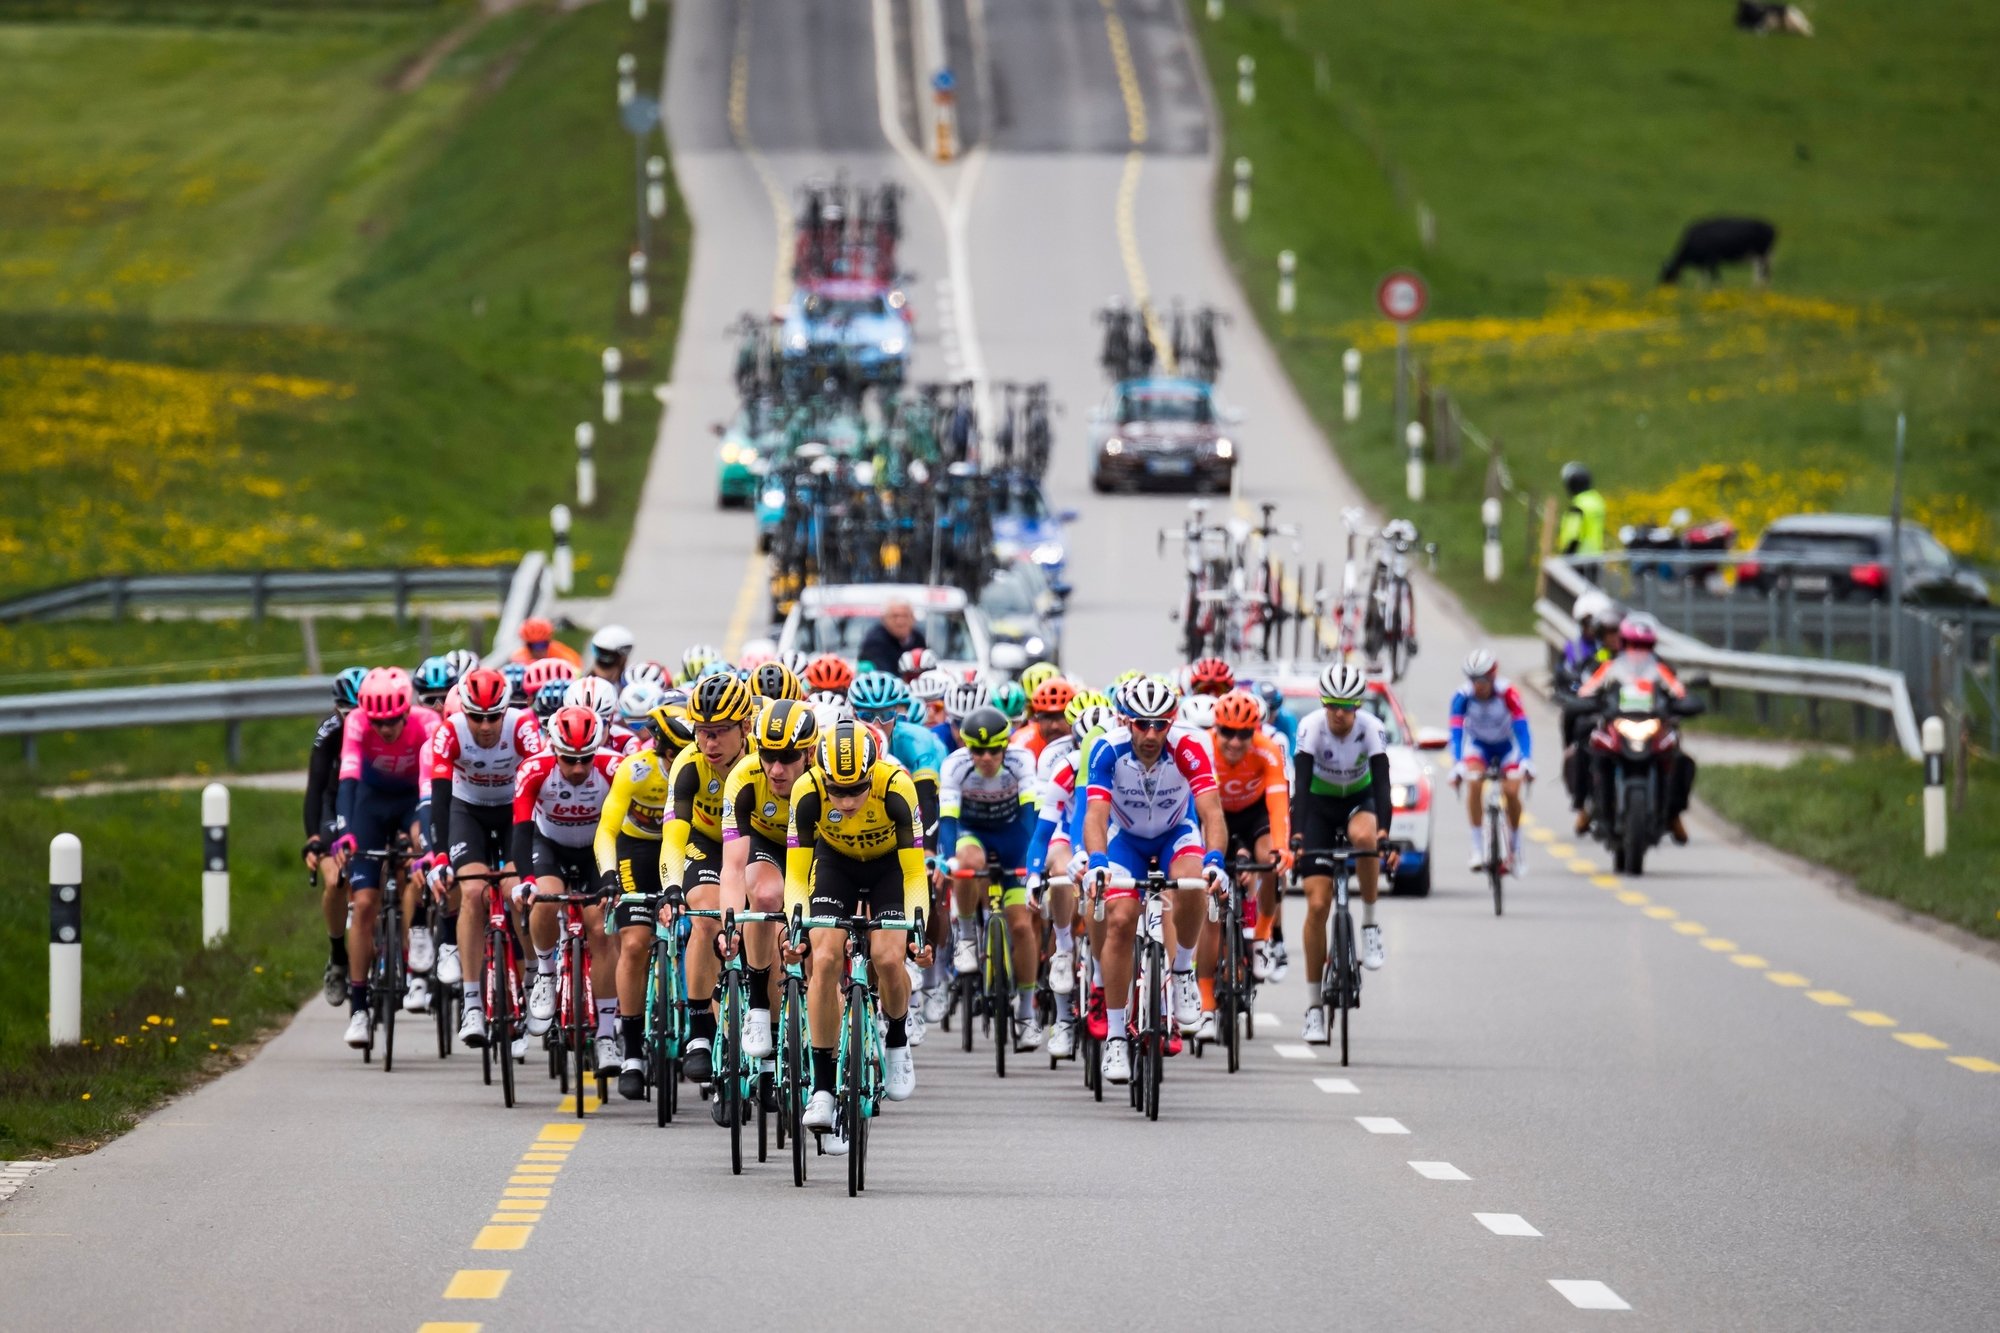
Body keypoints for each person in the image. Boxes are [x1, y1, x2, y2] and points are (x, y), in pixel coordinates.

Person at [784, 722, 931, 1154]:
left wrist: (916, 929)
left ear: (873, 774)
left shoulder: (898, 787)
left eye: (857, 791)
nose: (847, 802)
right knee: (825, 957)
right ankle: (824, 1088)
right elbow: (796, 872)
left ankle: (899, 1037)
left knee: (888, 957)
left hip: (889, 868)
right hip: (836, 866)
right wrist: (798, 926)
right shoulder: (807, 791)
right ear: (822, 778)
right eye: (838, 791)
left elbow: (914, 873)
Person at [1081, 677, 1229, 1086]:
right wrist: (1096, 860)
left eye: (1160, 725)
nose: (1151, 734)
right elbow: (1095, 816)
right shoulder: (1107, 749)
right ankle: (1114, 1035)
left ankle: (1182, 972)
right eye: (1142, 724)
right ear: (1126, 721)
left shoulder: (1190, 747)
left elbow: (1212, 813)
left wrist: (1216, 861)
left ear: (1171, 723)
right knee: (1122, 919)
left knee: (1194, 881)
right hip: (1124, 840)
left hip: (1175, 834)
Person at [429, 667, 544, 1049]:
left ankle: (532, 975)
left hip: (516, 813)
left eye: (493, 716)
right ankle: (473, 1003)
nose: (485, 725)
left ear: (505, 710)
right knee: (474, 892)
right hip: (469, 812)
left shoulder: (523, 727)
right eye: (477, 716)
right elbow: (440, 799)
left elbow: (539, 782)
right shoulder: (450, 732)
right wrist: (440, 855)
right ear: (465, 711)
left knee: (515, 890)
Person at [329, 668, 442, 1049]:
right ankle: (359, 1008)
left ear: (406, 712)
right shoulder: (358, 723)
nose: (387, 728)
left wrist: (430, 844)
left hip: (414, 800)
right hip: (371, 806)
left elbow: (433, 786)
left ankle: (420, 930)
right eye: (380, 722)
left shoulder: (428, 721)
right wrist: (344, 831)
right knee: (363, 904)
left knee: (422, 849)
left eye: (394, 720)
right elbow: (347, 781)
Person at [656, 673, 758, 1088]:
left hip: (755, 842)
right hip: (706, 843)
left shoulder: (766, 759)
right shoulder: (690, 763)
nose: (709, 744)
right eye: (702, 733)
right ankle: (700, 1030)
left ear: (746, 728)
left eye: (719, 734)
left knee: (764, 918)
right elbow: (674, 835)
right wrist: (671, 887)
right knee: (704, 915)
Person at [594, 690, 692, 1098]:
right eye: (677, 756)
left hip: (685, 846)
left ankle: (701, 1025)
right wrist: (610, 875)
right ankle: (632, 1051)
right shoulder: (635, 770)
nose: (684, 763)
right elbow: (607, 831)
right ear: (661, 749)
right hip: (638, 851)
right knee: (633, 943)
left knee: (697, 932)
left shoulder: (700, 771)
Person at [1292, 664, 1396, 1045]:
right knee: (1317, 906)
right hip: (1318, 806)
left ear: (1357, 706)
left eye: (1347, 706)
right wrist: (1298, 835)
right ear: (1324, 704)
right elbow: (1301, 787)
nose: (1340, 713)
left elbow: (1383, 784)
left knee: (1365, 837)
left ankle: (1369, 924)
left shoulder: (1371, 728)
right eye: (1333, 705)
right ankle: (1314, 1008)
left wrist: (1384, 832)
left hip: (1358, 800)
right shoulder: (1311, 729)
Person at [939, 706, 1045, 1051]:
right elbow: (949, 821)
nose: (986, 757)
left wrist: (1032, 864)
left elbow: (1030, 816)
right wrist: (951, 859)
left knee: (1020, 926)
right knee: (968, 860)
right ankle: (968, 934)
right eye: (978, 750)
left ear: (1005, 745)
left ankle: (1027, 1012)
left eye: (994, 750)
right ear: (967, 747)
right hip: (974, 834)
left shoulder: (1021, 761)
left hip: (1013, 837)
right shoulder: (955, 765)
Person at [1578, 614, 1696, 843]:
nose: (1638, 651)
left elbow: (1680, 693)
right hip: (1617, 726)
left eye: (1644, 646)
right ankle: (1591, 804)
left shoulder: (1661, 669)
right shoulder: (1610, 667)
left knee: (1681, 760)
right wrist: (1584, 702)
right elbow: (1587, 691)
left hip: (1653, 727)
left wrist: (1685, 703)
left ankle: (1673, 814)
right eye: (1633, 644)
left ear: (1652, 646)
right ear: (1623, 643)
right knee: (1589, 749)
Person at [305, 667, 367, 1008]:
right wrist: (314, 838)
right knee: (335, 882)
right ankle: (337, 956)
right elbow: (315, 789)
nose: (355, 718)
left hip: (369, 802)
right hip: (333, 802)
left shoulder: (388, 727)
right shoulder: (329, 732)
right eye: (347, 711)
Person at [1448, 650, 1533, 873]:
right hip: (1479, 747)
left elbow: (1522, 728)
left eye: (1483, 679)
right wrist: (1457, 764)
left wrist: (1526, 760)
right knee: (1474, 784)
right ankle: (1477, 847)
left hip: (1506, 747)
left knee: (1512, 793)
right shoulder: (1462, 697)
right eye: (1474, 679)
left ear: (1493, 676)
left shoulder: (1508, 693)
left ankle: (1515, 849)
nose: (1479, 685)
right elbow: (1456, 732)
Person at [1558, 462, 1608, 573]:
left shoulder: (1578, 507)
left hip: (1578, 562)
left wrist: (1565, 561)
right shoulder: (1597, 502)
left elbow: (1573, 538)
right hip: (1595, 560)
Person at [857, 598, 926, 676]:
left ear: (913, 618)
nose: (900, 622)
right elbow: (884, 675)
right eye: (895, 616)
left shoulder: (918, 639)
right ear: (884, 619)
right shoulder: (874, 642)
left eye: (905, 616)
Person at [510, 616, 581, 668]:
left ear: (549, 641)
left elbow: (576, 670)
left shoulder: (564, 656)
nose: (538, 650)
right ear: (526, 644)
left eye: (542, 645)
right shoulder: (517, 658)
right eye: (532, 646)